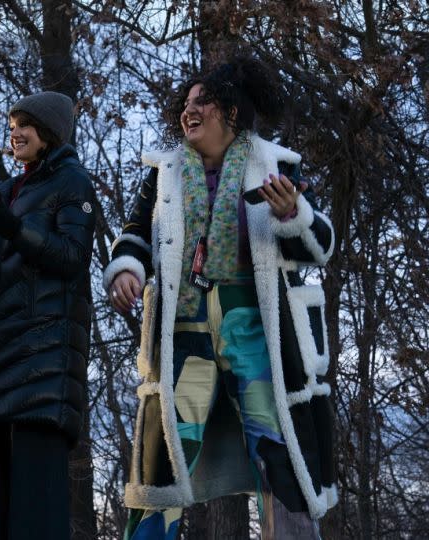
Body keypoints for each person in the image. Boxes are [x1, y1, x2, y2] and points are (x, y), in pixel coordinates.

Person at [102, 57, 338, 539]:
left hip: (253, 329)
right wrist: (126, 270)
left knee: (277, 450)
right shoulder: (163, 174)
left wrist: (294, 213)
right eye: (185, 104)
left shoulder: (277, 165)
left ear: (231, 112)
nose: (189, 111)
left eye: (201, 102)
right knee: (165, 457)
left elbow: (321, 246)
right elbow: (134, 236)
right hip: (184, 335)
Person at [0, 91, 96, 540]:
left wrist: (14, 229)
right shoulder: (7, 191)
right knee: (3, 524)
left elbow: (71, 256)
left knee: (37, 522)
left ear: (49, 133)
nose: (15, 133)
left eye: (24, 125)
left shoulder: (72, 182)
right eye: (11, 125)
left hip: (42, 370)